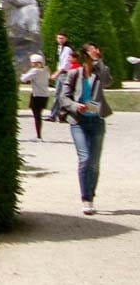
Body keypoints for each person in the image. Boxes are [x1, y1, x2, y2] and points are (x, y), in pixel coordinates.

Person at [58, 42, 113, 215]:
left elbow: (108, 82)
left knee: (94, 164)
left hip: (97, 121)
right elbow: (63, 97)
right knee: (85, 158)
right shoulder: (75, 74)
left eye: (98, 50)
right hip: (79, 121)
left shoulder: (100, 72)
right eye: (93, 50)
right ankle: (85, 198)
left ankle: (91, 196)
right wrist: (75, 106)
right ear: (85, 54)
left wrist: (100, 62)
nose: (96, 52)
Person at [20, 53, 50, 139]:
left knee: (37, 116)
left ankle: (38, 135)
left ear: (36, 62)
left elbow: (24, 79)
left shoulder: (34, 71)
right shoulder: (46, 70)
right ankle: (39, 134)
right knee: (39, 115)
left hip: (36, 95)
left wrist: (22, 75)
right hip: (45, 95)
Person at [45, 33, 74, 121]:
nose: (60, 40)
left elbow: (65, 64)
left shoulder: (67, 49)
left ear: (66, 39)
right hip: (61, 73)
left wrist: (56, 73)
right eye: (58, 38)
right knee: (58, 94)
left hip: (65, 73)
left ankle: (62, 115)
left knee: (63, 95)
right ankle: (55, 115)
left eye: (62, 38)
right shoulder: (60, 48)